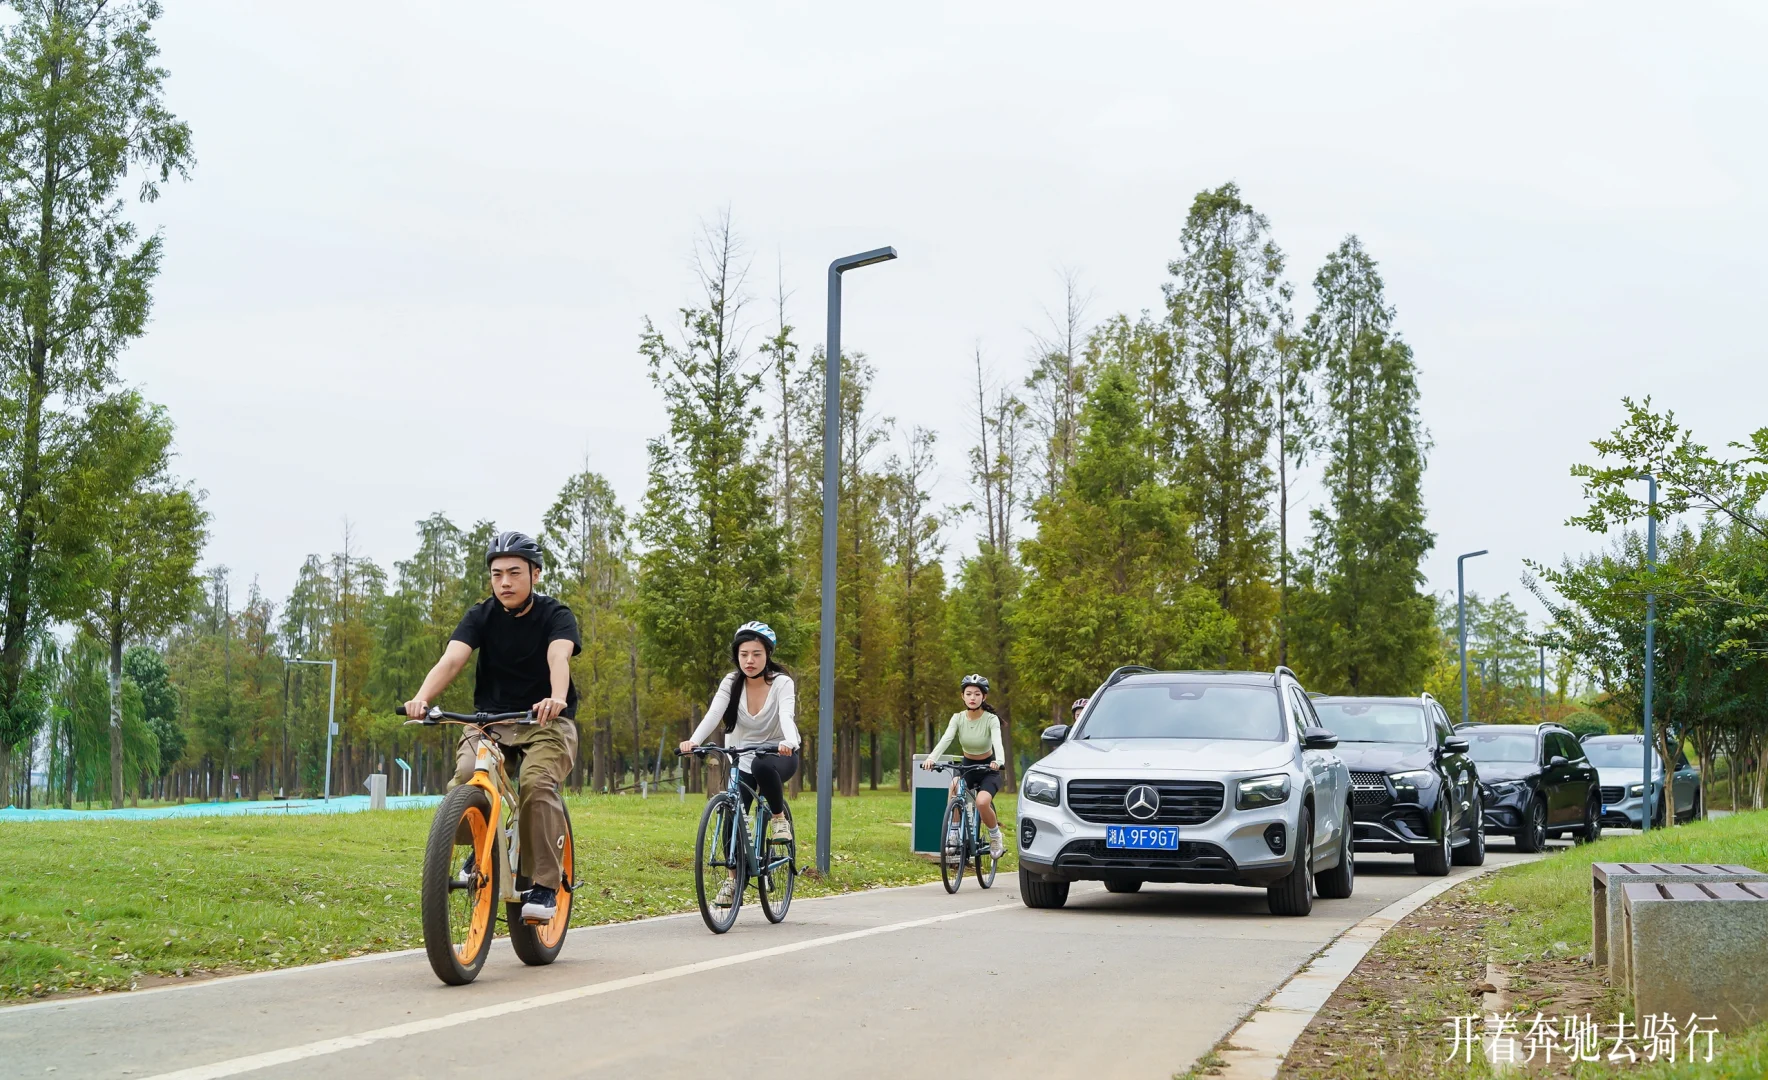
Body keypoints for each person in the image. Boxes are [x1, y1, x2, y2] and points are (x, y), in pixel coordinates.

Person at [403, 531, 581, 923]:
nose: (505, 582)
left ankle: (546, 886)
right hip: (491, 722)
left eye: (514, 573)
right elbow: (452, 660)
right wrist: (422, 698)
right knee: (469, 775)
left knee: (536, 784)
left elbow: (559, 656)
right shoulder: (480, 616)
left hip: (546, 722)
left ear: (535, 574)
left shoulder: (556, 615)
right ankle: (484, 843)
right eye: (497, 574)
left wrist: (556, 696)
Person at [679, 621, 800, 908]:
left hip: (778, 755)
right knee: (731, 813)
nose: (749, 660)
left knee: (761, 766)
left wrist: (790, 742)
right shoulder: (731, 683)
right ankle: (733, 880)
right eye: (744, 654)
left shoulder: (782, 683)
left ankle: (778, 818)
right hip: (741, 757)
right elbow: (714, 713)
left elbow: (787, 716)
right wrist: (693, 740)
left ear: (767, 654)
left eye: (756, 654)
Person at [922, 673, 1006, 858]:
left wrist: (999, 761)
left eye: (977, 694)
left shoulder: (990, 719)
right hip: (968, 765)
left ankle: (995, 836)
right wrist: (932, 758)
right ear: (962, 696)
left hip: (988, 768)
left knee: (982, 802)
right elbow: (947, 738)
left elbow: (997, 742)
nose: (972, 698)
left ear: (984, 697)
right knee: (954, 787)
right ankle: (953, 833)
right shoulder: (957, 718)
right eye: (968, 694)